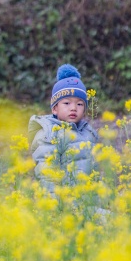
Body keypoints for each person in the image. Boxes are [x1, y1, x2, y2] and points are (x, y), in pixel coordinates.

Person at [29, 64, 99, 193]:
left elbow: (96, 173)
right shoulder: (49, 134)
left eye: (79, 104)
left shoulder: (88, 133)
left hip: (87, 204)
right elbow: (47, 176)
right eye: (66, 103)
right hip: (63, 204)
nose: (73, 108)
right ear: (54, 108)